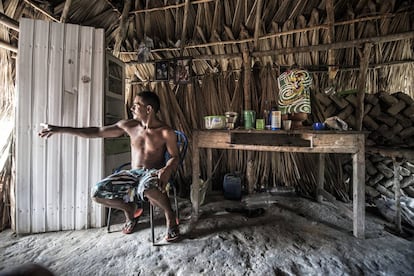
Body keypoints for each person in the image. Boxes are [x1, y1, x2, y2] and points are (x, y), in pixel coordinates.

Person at [38, 91, 180, 241]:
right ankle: (130, 208)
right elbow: (97, 131)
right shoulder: (128, 126)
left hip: (152, 173)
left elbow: (175, 157)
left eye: (136, 105)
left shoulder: (165, 132)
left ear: (148, 109)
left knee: (148, 186)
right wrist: (60, 129)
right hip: (132, 174)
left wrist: (167, 169)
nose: (131, 108)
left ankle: (170, 216)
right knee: (97, 192)